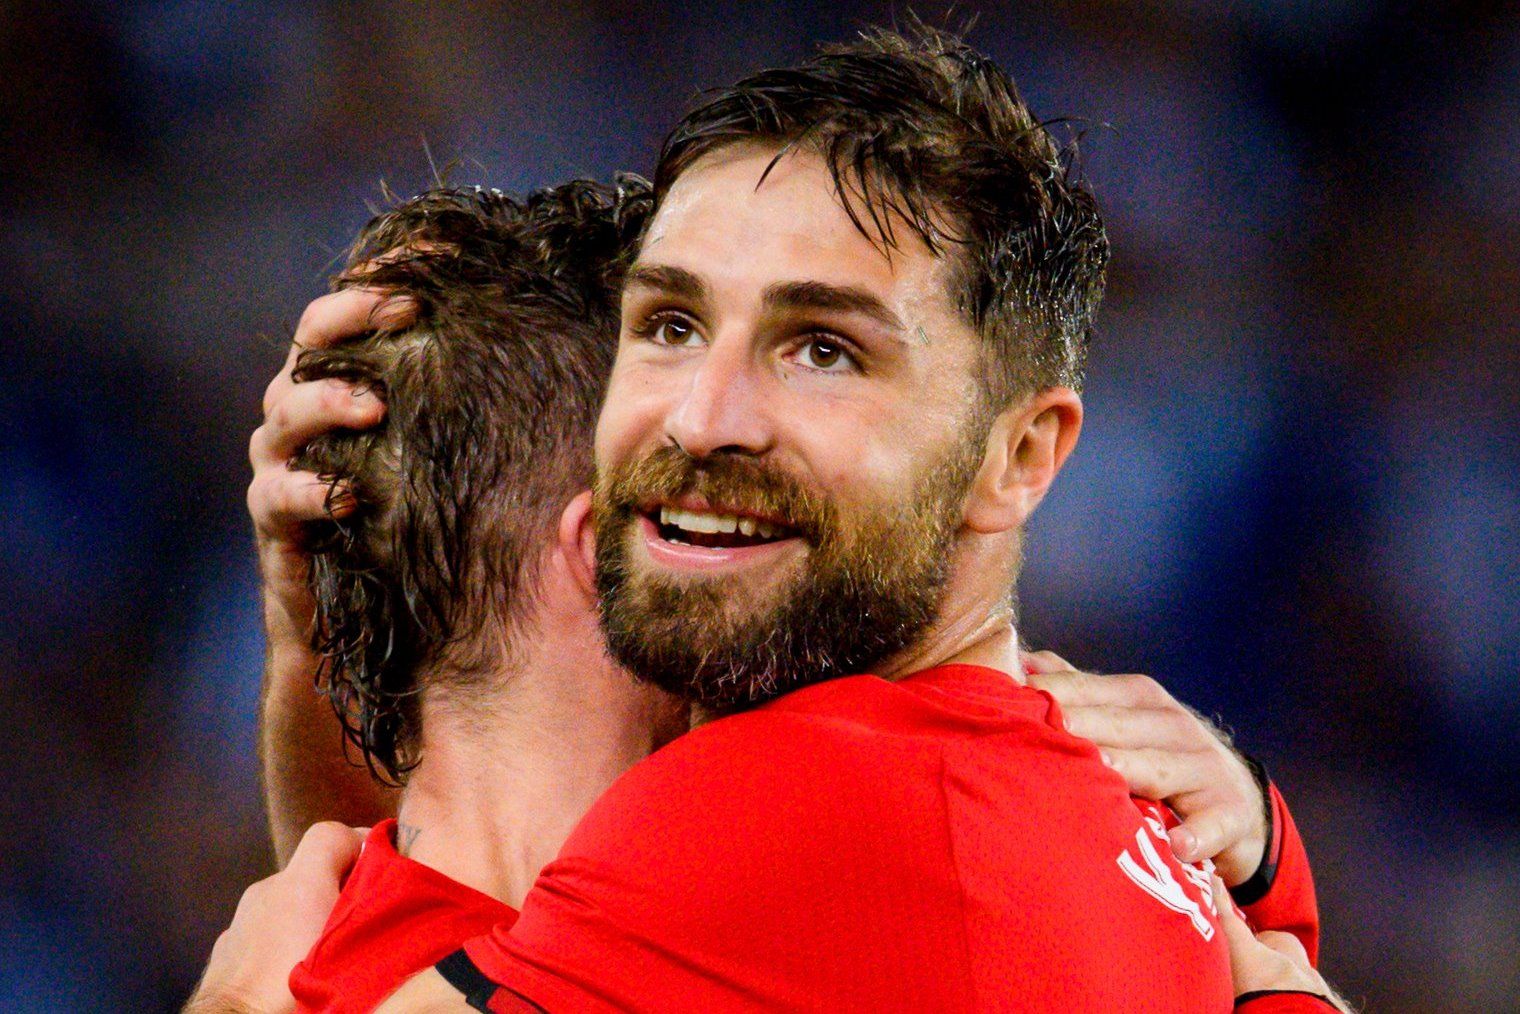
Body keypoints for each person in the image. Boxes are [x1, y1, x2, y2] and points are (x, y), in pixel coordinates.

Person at [200, 24, 1344, 1014]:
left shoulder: (791, 809)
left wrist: (243, 996)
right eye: (670, 325)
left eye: (821, 350)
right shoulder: (1124, 817)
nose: (703, 420)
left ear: (1020, 454)